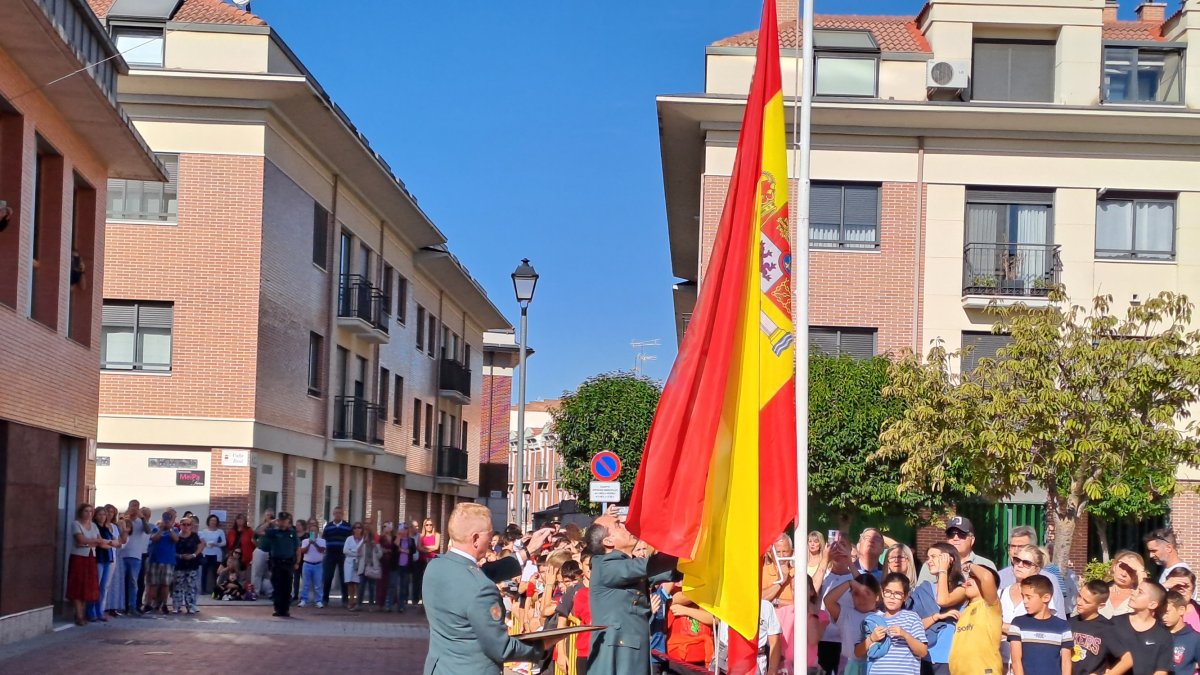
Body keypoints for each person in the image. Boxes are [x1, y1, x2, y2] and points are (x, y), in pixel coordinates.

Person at [422, 503, 559, 674]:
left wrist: (528, 551)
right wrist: (542, 645)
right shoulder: (481, 588)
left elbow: (482, 572)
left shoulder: (435, 566)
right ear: (475, 539)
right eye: (490, 533)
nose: (493, 538)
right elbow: (501, 648)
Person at [584, 510, 678, 675]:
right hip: (617, 655)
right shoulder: (604, 565)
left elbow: (668, 573)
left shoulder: (626, 565)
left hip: (632, 652)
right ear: (608, 541)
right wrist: (682, 549)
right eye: (618, 525)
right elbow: (647, 566)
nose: (626, 526)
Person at [856, 573, 927, 675]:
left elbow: (923, 651)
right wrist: (872, 638)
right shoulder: (872, 620)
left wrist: (905, 635)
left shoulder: (912, 618)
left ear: (905, 596)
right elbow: (858, 652)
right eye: (888, 592)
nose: (892, 597)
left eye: (898, 593)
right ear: (882, 592)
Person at [1008, 574, 1073, 675]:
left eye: (1029, 597)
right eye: (1023, 596)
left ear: (1046, 597)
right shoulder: (1018, 624)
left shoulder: (1063, 627)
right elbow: (1016, 661)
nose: (1024, 601)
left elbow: (1066, 662)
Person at [948, 562, 1002, 675]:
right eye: (968, 577)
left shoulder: (990, 605)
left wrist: (970, 566)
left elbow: (987, 577)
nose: (968, 581)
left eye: (974, 577)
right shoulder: (965, 611)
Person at [1069, 579, 1132, 675]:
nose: (1079, 602)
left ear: (1101, 605)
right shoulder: (1070, 623)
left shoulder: (1106, 628)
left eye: (1086, 601)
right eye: (1079, 596)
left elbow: (1128, 659)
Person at [1112, 581, 1173, 675]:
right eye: (1135, 589)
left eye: (1140, 592)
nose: (1133, 592)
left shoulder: (1163, 635)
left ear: (1152, 605)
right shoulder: (1115, 623)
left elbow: (1161, 671)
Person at [826, 573, 882, 675]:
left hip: (875, 668)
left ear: (877, 596)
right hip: (848, 668)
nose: (861, 598)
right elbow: (828, 601)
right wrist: (849, 583)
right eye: (856, 594)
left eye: (866, 593)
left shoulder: (884, 617)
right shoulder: (846, 614)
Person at [918, 516, 997, 586]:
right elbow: (920, 595)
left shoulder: (986, 564)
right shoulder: (931, 564)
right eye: (951, 534)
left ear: (972, 540)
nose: (955, 538)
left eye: (961, 534)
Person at [999, 526, 1066, 608]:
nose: (1015, 551)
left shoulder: (1049, 579)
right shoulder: (1001, 576)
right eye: (1012, 546)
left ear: (1033, 548)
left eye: (1021, 547)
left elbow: (1059, 615)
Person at [818, 535, 856, 675]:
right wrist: (825, 559)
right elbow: (811, 591)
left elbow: (866, 592)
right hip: (822, 639)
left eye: (842, 546)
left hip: (847, 642)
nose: (838, 549)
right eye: (835, 545)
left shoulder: (855, 576)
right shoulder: (822, 574)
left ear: (850, 550)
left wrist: (850, 563)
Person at [715, 598, 782, 675]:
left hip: (757, 662)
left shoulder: (766, 606)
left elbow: (775, 642)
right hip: (727, 662)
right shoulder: (725, 603)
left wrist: (772, 670)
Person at [68, 504, 108, 626]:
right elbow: (80, 540)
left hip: (91, 557)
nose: (89, 513)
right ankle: (79, 615)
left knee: (87, 586)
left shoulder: (94, 525)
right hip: (79, 557)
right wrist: (92, 542)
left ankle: (82, 613)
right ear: (81, 512)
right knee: (77, 585)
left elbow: (100, 541)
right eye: (86, 511)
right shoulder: (76, 524)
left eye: (91, 511)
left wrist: (92, 543)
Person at [259, 511, 299, 617]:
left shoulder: (292, 532)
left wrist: (297, 562)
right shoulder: (274, 532)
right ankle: (277, 609)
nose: (282, 523)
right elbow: (259, 531)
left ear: (288, 522)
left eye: (285, 521)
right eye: (281, 521)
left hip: (288, 563)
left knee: (287, 587)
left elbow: (297, 548)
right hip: (276, 563)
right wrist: (270, 522)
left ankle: (285, 610)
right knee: (277, 586)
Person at [146, 509, 180, 615]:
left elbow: (176, 540)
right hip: (155, 559)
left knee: (165, 584)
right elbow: (154, 539)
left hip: (168, 561)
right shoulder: (156, 529)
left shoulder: (175, 530)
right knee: (153, 584)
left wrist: (169, 529)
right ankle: (150, 604)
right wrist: (161, 529)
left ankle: (164, 604)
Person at [120, 501, 150, 615]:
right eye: (132, 506)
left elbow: (148, 531)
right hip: (122, 554)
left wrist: (142, 518)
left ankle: (132, 606)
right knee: (122, 581)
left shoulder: (141, 522)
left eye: (136, 507)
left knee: (133, 582)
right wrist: (124, 516)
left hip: (135, 556)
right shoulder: (124, 520)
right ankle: (121, 606)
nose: (134, 509)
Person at [89, 505, 118, 622]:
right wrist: (110, 543)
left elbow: (117, 542)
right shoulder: (94, 527)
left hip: (108, 558)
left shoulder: (107, 528)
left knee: (104, 587)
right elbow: (100, 543)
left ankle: (100, 611)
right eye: (100, 514)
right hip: (99, 558)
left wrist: (109, 543)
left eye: (104, 514)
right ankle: (91, 611)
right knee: (95, 585)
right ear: (95, 516)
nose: (102, 517)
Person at [172, 516, 205, 614]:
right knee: (178, 586)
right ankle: (176, 606)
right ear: (180, 525)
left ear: (191, 526)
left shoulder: (194, 536)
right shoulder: (176, 536)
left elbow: (200, 546)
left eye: (188, 524)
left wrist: (194, 555)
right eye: (184, 524)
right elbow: (172, 550)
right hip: (179, 564)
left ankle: (190, 606)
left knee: (190, 586)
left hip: (192, 564)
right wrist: (180, 556)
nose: (186, 526)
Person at [1163, 591, 1200, 674]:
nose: (1163, 616)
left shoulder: (1194, 638)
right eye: (1160, 612)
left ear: (1181, 610)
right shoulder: (1157, 634)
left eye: (1166, 612)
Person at [1103, 551, 1147, 619]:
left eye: (1130, 571)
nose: (1123, 574)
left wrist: (1140, 570)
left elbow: (1148, 593)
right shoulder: (1100, 590)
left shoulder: (1138, 595)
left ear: (1137, 575)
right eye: (1122, 567)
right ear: (1114, 567)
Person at [322, 507, 352, 607]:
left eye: (340, 513)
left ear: (342, 514)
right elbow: (324, 538)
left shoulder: (347, 527)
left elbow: (350, 540)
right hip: (330, 554)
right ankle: (325, 599)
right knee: (328, 577)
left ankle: (345, 599)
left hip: (343, 554)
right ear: (333, 514)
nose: (338, 515)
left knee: (344, 577)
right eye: (336, 513)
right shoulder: (328, 526)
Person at [299, 518, 325, 608]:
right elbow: (303, 551)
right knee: (305, 584)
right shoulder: (305, 541)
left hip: (318, 564)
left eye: (314, 531)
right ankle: (303, 600)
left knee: (318, 584)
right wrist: (310, 543)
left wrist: (315, 544)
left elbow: (322, 550)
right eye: (311, 531)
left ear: (318, 532)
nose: (313, 532)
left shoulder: (322, 541)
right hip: (307, 564)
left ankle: (318, 600)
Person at [1164, 567, 1200, 632]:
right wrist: (1163, 586)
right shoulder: (1161, 610)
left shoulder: (1198, 610)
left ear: (1193, 589)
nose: (1181, 590)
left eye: (1186, 586)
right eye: (1177, 586)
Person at [415, 517, 441, 606]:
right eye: (427, 525)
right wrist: (430, 548)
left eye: (430, 525)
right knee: (422, 581)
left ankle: (432, 601)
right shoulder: (421, 536)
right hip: (423, 561)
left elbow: (436, 547)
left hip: (433, 561)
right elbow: (418, 547)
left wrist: (425, 548)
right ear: (424, 526)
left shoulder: (437, 535)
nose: (429, 526)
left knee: (432, 582)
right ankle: (422, 601)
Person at [198, 514, 225, 596]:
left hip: (216, 554)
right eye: (211, 520)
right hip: (205, 553)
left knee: (216, 573)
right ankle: (203, 590)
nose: (213, 522)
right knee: (204, 572)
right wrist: (205, 544)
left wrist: (216, 544)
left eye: (215, 521)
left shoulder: (220, 531)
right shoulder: (204, 531)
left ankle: (216, 590)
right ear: (208, 521)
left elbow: (224, 542)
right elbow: (200, 541)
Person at [251, 510, 275, 597]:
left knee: (269, 574)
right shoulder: (262, 526)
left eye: (271, 515)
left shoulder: (275, 527)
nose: (269, 517)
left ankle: (269, 592)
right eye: (267, 515)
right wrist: (259, 545)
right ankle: (256, 592)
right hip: (261, 551)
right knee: (257, 573)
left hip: (271, 552)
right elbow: (255, 535)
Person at [343, 522, 365, 611]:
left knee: (357, 583)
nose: (357, 529)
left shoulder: (364, 539)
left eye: (359, 528)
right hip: (349, 563)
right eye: (355, 528)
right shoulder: (349, 539)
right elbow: (345, 550)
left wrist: (352, 551)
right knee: (350, 583)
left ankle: (357, 601)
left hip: (359, 563)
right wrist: (355, 553)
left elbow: (363, 552)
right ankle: (350, 601)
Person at [392, 524, 413, 613]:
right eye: (402, 528)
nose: (403, 530)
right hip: (397, 566)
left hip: (406, 566)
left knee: (404, 587)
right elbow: (395, 546)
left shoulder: (410, 540)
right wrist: (399, 536)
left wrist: (403, 550)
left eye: (405, 528)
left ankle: (402, 605)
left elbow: (412, 550)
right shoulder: (396, 538)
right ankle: (392, 604)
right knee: (395, 585)